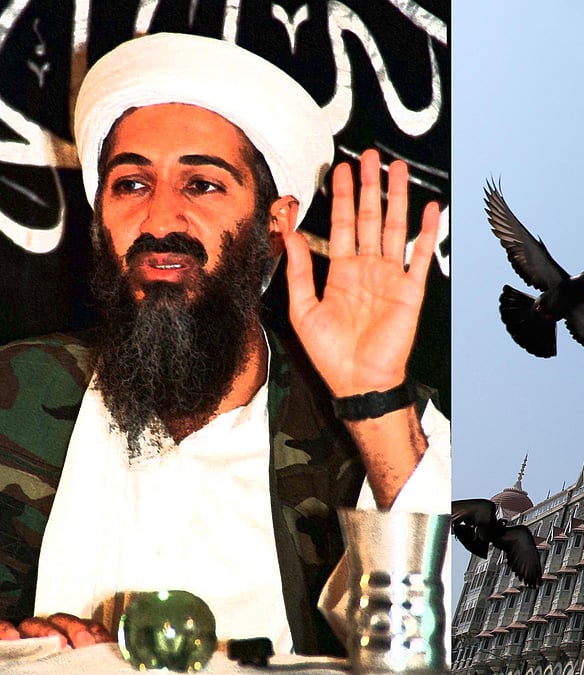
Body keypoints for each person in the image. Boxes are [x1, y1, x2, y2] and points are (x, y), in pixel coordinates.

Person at [0, 32, 449, 656]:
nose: (160, 219)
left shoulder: (383, 427)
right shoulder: (16, 392)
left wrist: (374, 403)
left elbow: (430, 642)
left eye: (203, 185)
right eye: (131, 184)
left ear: (275, 222)